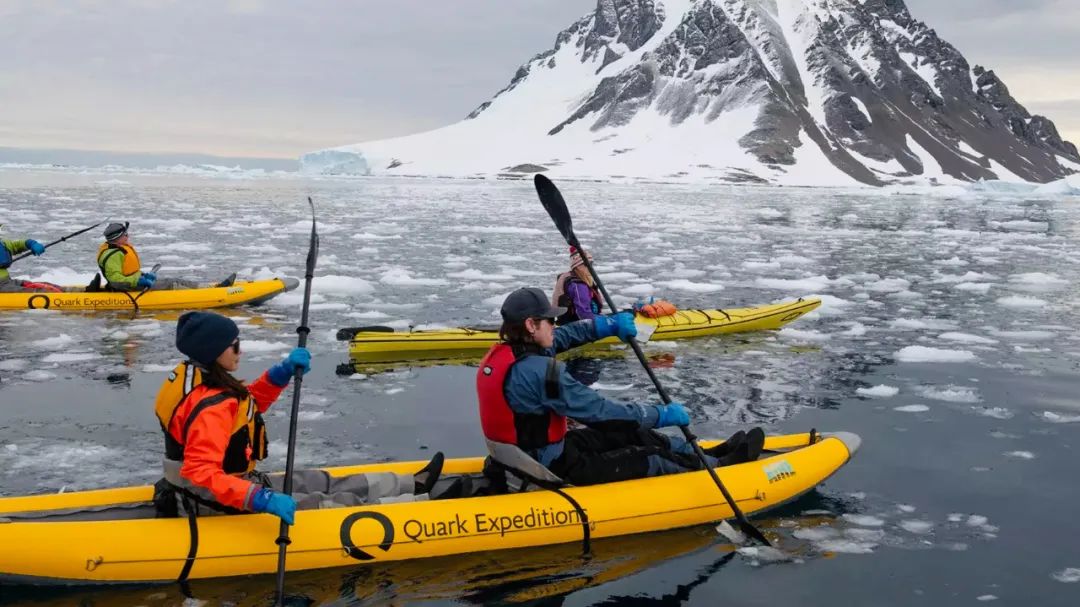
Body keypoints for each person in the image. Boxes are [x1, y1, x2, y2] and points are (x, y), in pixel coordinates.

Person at [154, 311, 444, 524]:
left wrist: (280, 374)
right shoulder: (210, 405)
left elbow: (243, 410)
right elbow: (201, 475)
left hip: (236, 481)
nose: (241, 351)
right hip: (210, 498)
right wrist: (259, 498)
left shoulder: (199, 379)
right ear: (213, 352)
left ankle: (409, 484)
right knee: (321, 503)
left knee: (318, 480)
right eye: (235, 345)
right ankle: (417, 507)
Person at [477, 287, 764, 489]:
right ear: (530, 325)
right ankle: (719, 469)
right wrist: (659, 414)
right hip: (551, 466)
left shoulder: (507, 355)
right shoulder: (541, 374)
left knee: (635, 433)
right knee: (649, 457)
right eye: (549, 320)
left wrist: (605, 326)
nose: (554, 324)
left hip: (539, 452)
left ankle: (707, 454)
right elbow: (601, 412)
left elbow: (562, 336)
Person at [96, 222, 224, 291]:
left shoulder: (117, 250)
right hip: (127, 287)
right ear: (117, 238)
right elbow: (115, 280)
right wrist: (139, 281)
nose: (128, 236)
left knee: (173, 280)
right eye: (125, 235)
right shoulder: (114, 254)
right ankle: (207, 292)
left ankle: (209, 287)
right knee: (172, 282)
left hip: (132, 283)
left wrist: (143, 275)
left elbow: (127, 272)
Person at [552, 246, 603, 325]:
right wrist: (601, 324)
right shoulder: (578, 285)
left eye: (591, 264)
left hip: (570, 323)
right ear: (577, 266)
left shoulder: (573, 278)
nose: (590, 267)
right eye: (586, 264)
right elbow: (583, 313)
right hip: (577, 326)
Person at [0, 225, 48, 292]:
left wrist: (31, 244)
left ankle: (65, 291)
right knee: (37, 291)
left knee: (45, 286)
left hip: (7, 282)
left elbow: (17, 245)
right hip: (2, 288)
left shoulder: (4, 244)